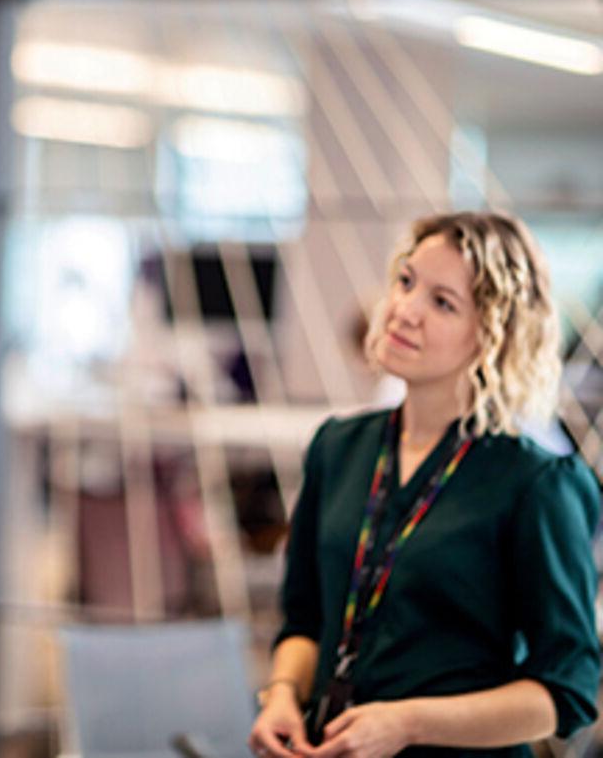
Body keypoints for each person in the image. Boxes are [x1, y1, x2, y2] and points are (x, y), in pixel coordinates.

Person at [248, 211, 600, 758]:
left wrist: (408, 724)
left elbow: (565, 690)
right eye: (406, 281)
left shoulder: (537, 483)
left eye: (443, 303)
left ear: (492, 334)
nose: (404, 310)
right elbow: (304, 621)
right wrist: (281, 696)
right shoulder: (339, 448)